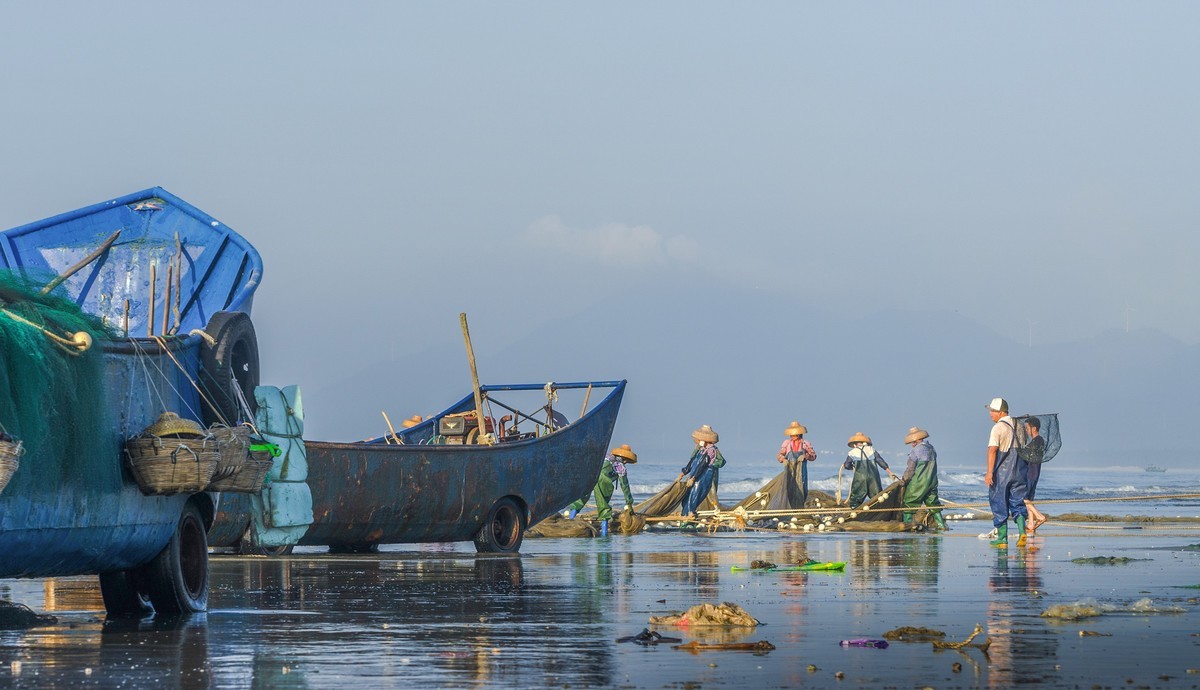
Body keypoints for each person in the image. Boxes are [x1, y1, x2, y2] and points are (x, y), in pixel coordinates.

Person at [984, 397, 1029, 548]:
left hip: (1003, 472)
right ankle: (1022, 533)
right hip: (1020, 471)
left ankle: (1002, 539)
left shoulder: (997, 428)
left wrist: (989, 472)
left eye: (993, 411)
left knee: (998, 502)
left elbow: (992, 450)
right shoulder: (1020, 425)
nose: (991, 413)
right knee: (1018, 502)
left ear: (1001, 412)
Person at [568, 444, 637, 537]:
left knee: (582, 498)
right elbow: (625, 486)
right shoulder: (621, 466)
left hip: (589, 475)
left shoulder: (605, 456)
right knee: (603, 504)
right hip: (602, 480)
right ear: (625, 459)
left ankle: (569, 520)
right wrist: (629, 503)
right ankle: (604, 533)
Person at [900, 427, 945, 530]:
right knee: (933, 504)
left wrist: (904, 479)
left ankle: (908, 526)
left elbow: (910, 469)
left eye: (912, 442)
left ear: (916, 440)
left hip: (919, 483)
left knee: (909, 504)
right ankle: (942, 526)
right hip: (932, 482)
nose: (912, 444)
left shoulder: (916, 450)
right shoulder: (931, 448)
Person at [678, 425, 725, 520]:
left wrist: (694, 477)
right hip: (695, 475)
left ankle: (690, 515)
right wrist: (684, 472)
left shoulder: (711, 451)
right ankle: (685, 514)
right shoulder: (700, 449)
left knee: (695, 495)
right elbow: (692, 462)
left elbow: (702, 465)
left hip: (703, 476)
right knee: (686, 497)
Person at [843, 432, 897, 507]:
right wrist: (889, 472)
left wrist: (853, 467)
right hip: (873, 478)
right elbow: (880, 461)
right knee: (878, 497)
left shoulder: (852, 452)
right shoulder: (871, 450)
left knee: (856, 498)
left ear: (854, 444)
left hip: (860, 478)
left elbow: (846, 465)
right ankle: (880, 511)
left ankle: (853, 511)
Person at [778, 421, 817, 508]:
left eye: (794, 434)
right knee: (789, 487)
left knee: (802, 487)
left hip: (801, 469)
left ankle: (800, 505)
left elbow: (813, 456)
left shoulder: (805, 443)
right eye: (791, 435)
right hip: (790, 469)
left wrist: (805, 456)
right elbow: (779, 455)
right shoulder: (787, 444)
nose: (792, 436)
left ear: (799, 434)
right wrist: (783, 459)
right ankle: (791, 506)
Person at [1020, 417, 1048, 532]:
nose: (1026, 430)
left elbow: (1028, 454)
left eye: (1027, 428)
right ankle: (1031, 523)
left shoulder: (1038, 440)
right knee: (1030, 498)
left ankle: (1040, 517)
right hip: (1034, 472)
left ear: (1034, 428)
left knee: (1024, 498)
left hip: (1031, 472)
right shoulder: (1036, 441)